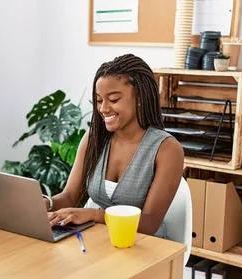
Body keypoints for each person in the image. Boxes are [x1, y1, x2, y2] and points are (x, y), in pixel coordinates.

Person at [44, 53, 184, 240]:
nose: (103, 109)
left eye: (114, 99)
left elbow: (149, 223)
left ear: (140, 98)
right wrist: (47, 203)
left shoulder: (167, 149)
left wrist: (94, 214)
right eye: (100, 100)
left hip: (144, 247)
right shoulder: (95, 137)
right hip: (100, 242)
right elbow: (70, 196)